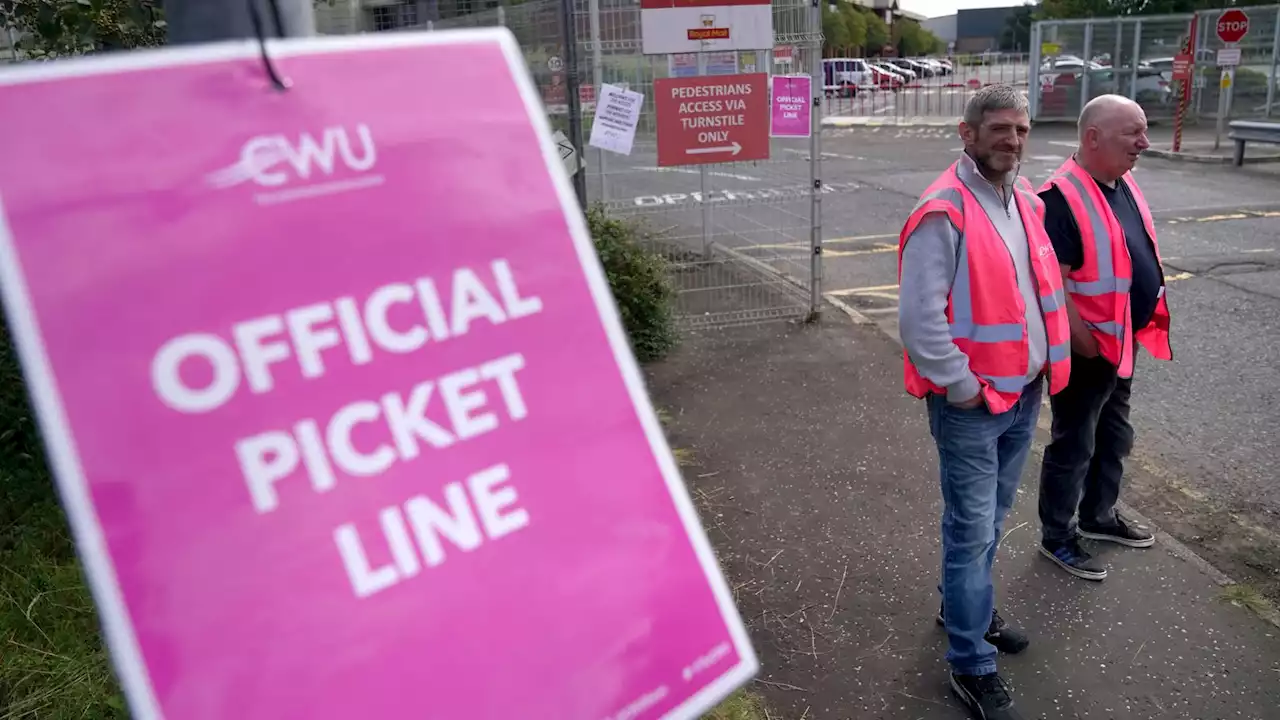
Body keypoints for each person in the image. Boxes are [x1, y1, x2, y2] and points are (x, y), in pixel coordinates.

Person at [898, 84, 1072, 720]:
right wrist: (965, 388)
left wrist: (1045, 370)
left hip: (1022, 395)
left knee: (992, 520)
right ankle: (971, 664)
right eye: (1000, 129)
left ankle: (960, 607)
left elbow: (1032, 292)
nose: (1013, 140)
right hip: (974, 404)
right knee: (971, 532)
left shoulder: (1022, 197)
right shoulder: (944, 209)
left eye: (1022, 129)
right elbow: (921, 323)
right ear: (967, 135)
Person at [1036, 94, 1173, 582]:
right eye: (1132, 132)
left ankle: (1099, 516)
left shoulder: (1123, 182)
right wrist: (1085, 343)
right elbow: (1052, 283)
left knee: (1114, 436)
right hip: (1088, 349)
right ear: (1093, 138)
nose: (1144, 142)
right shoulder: (1059, 198)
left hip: (1120, 345)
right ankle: (1057, 535)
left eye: (1144, 130)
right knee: (1074, 443)